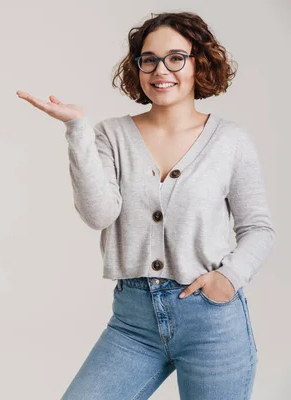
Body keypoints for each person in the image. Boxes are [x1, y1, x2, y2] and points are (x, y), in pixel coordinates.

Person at [16, 11, 275, 400]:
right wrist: (77, 130)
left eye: (175, 57)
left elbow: (258, 228)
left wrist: (229, 279)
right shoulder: (112, 135)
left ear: (198, 62)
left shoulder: (231, 142)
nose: (160, 70)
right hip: (134, 322)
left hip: (212, 323)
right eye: (148, 59)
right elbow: (98, 214)